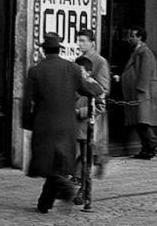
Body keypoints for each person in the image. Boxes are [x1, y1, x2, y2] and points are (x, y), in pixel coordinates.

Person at [22, 32, 103, 213]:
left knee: (47, 164)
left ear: (44, 51)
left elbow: (27, 101)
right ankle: (44, 203)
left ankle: (66, 187)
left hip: (44, 124)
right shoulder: (72, 68)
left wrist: (27, 123)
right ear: (59, 50)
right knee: (58, 164)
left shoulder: (35, 71)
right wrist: (94, 85)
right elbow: (93, 89)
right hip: (68, 124)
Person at [73, 29, 110, 204]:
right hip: (77, 116)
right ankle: (80, 182)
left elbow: (103, 88)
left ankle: (84, 188)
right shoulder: (78, 62)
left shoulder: (100, 62)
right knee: (80, 153)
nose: (80, 44)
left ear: (92, 43)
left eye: (83, 41)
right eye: (78, 41)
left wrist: (86, 106)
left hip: (90, 115)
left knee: (86, 152)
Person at [120, 27, 157, 159]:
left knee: (142, 121)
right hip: (139, 92)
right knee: (139, 121)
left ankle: (153, 144)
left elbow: (145, 73)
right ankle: (147, 148)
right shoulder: (137, 52)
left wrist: (140, 90)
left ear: (140, 37)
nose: (130, 38)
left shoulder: (144, 52)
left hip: (142, 93)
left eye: (133, 36)